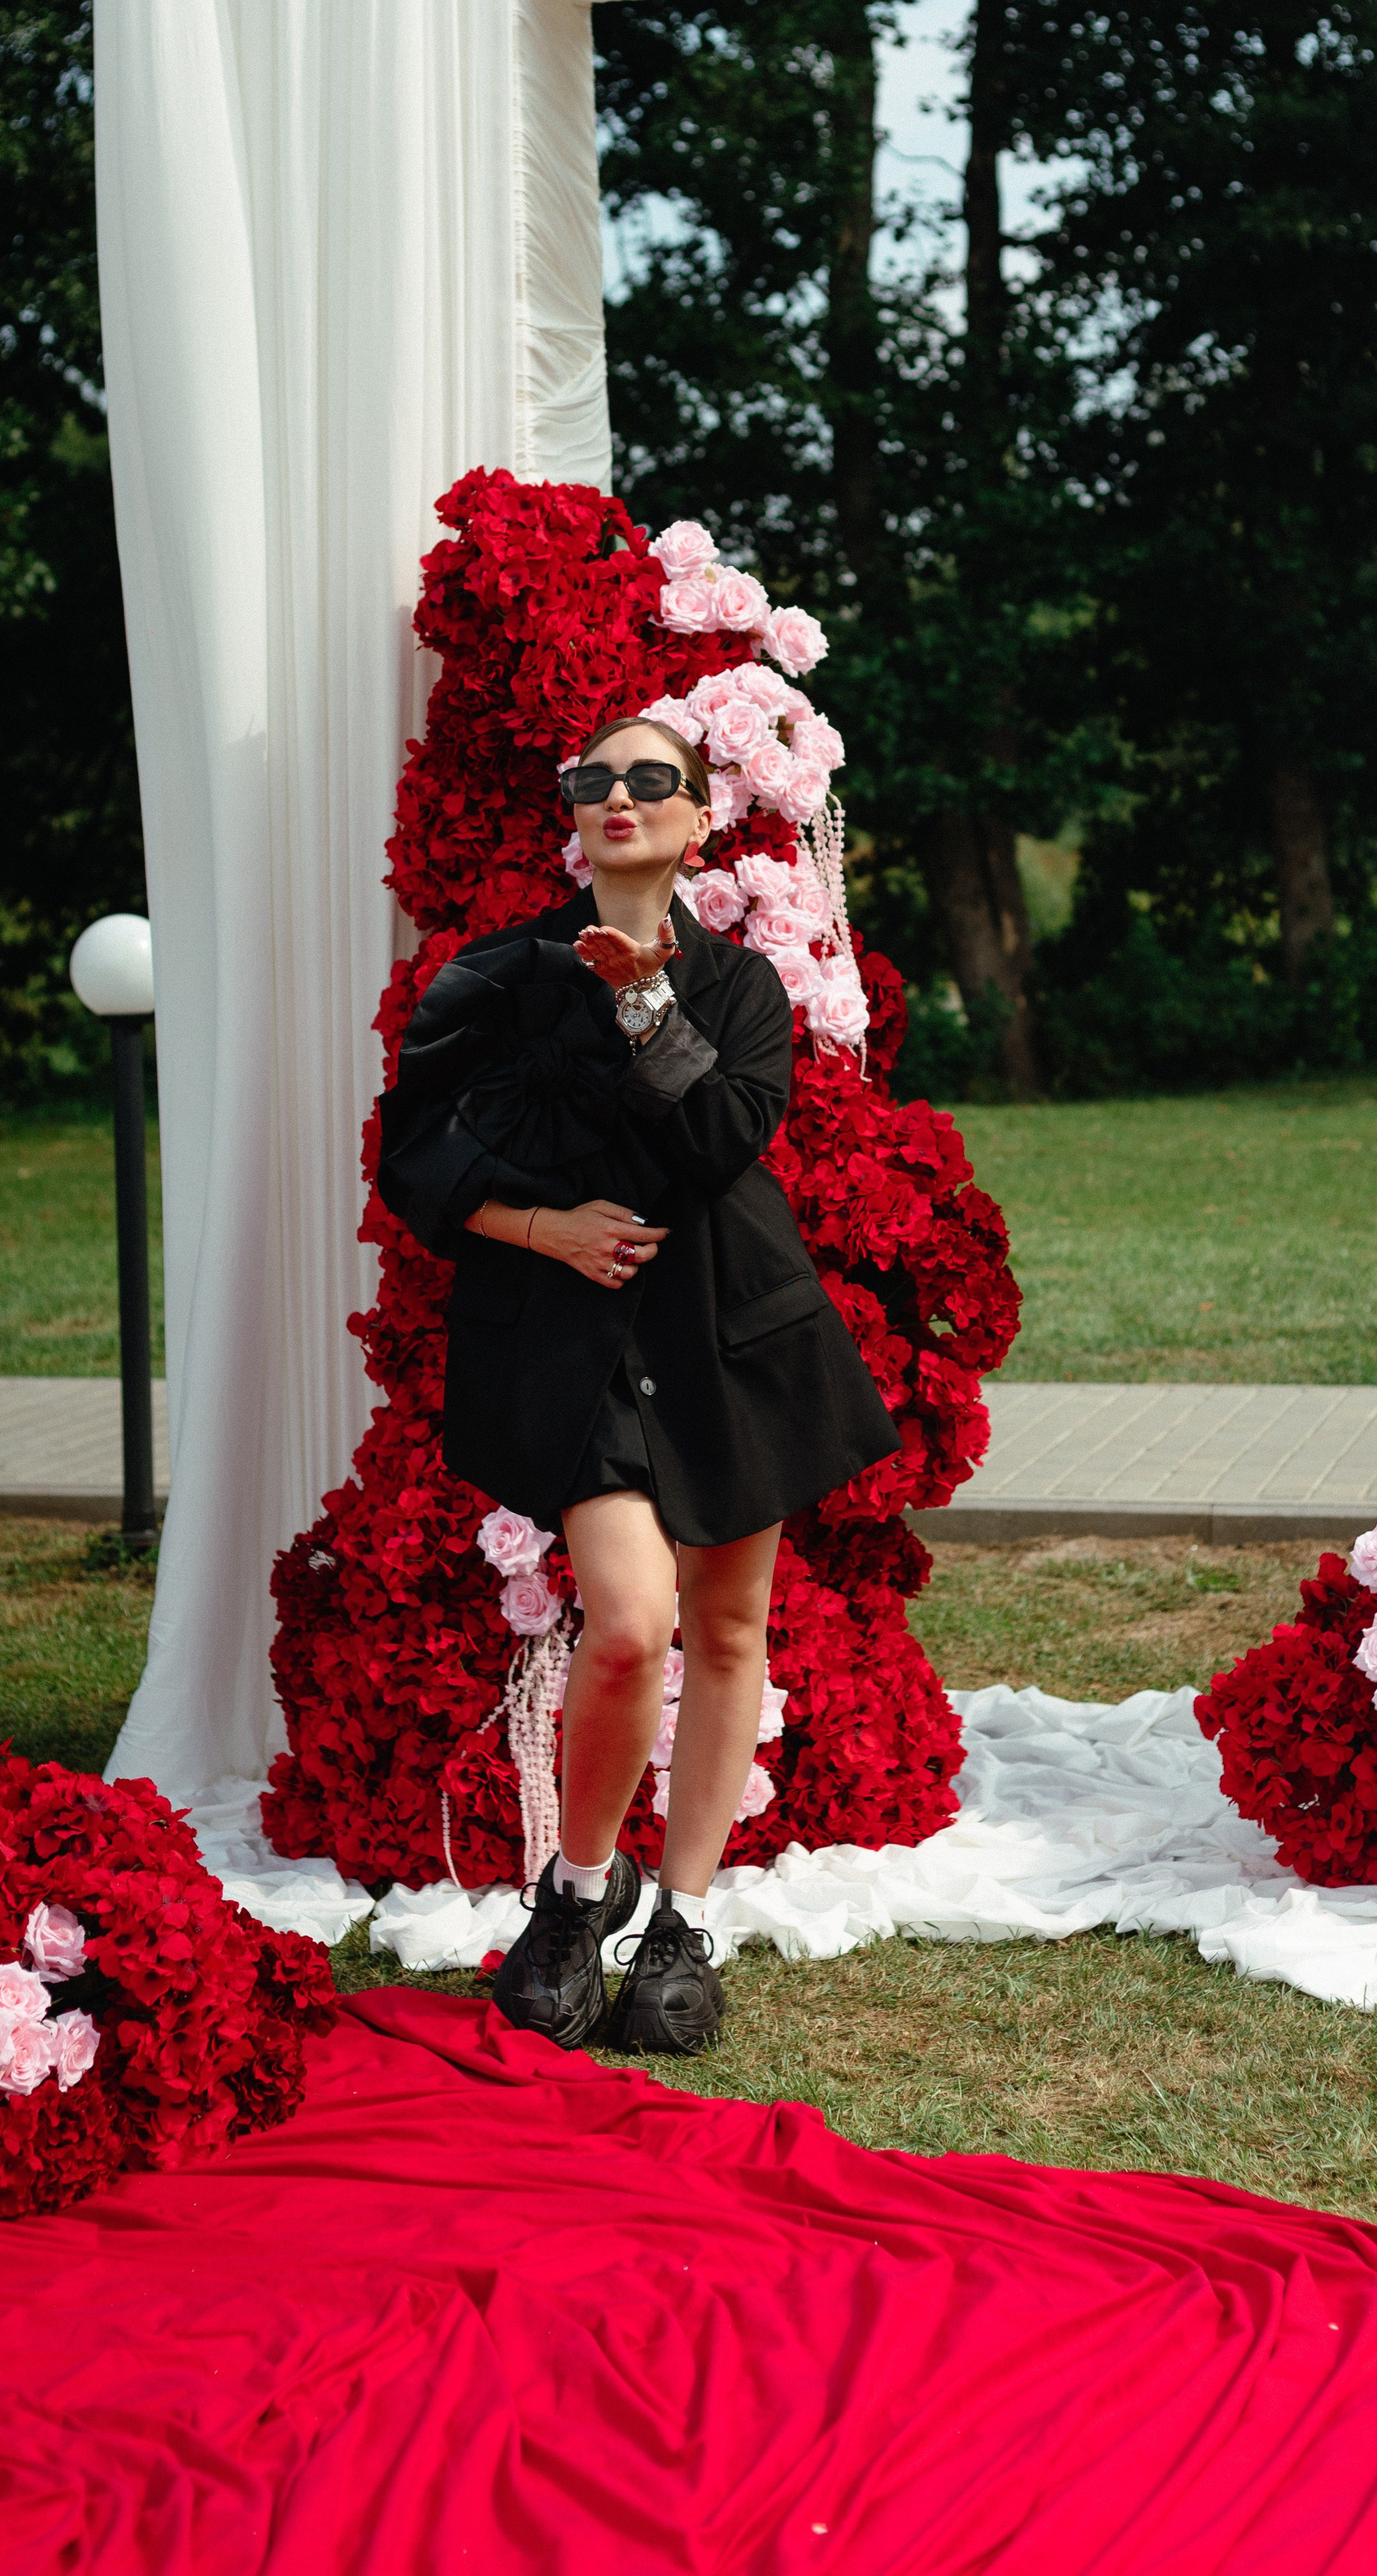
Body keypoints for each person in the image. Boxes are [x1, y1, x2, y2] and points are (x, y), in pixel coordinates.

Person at [377, 717, 900, 2055]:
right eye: (595, 780)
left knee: (727, 1630)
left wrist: (648, 1002)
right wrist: (543, 1229)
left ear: (701, 817)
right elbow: (414, 1160)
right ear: (573, 811)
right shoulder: (494, 975)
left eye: (652, 779)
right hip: (575, 1342)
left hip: (730, 1332)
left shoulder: (742, 988)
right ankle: (576, 1895)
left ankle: (684, 1920)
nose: (620, 797)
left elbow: (725, 1137)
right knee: (625, 1623)